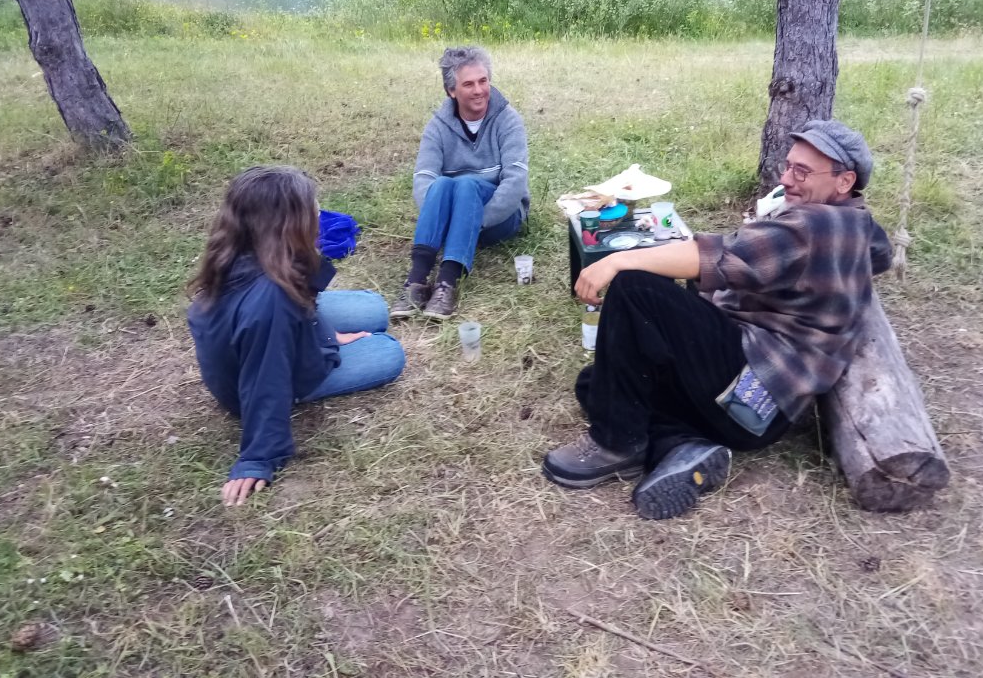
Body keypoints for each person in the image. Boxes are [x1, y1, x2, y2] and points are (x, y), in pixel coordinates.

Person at [542, 120, 893, 520]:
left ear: (845, 180)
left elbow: (723, 259)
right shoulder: (858, 224)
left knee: (634, 288)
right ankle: (681, 446)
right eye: (788, 166)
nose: (786, 178)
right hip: (762, 412)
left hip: (749, 393)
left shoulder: (816, 225)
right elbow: (879, 255)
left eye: (802, 171)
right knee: (599, 385)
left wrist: (618, 258)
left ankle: (616, 444)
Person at [187, 166, 406, 506]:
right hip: (254, 375)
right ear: (285, 226)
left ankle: (322, 334)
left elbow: (297, 298)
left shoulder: (249, 251)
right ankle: (320, 348)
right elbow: (266, 375)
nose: (319, 213)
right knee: (388, 352)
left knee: (374, 307)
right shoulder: (271, 302)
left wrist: (328, 335)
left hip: (277, 329)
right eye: (312, 209)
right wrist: (258, 458)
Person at [391, 47, 530, 320]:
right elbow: (423, 179)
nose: (479, 90)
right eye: (468, 84)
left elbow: (515, 184)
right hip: (456, 214)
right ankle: (416, 280)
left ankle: (447, 282)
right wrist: (446, 217)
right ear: (451, 91)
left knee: (466, 184)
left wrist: (470, 221)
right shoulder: (438, 125)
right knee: (441, 185)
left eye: (483, 81)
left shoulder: (508, 120)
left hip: (499, 217)